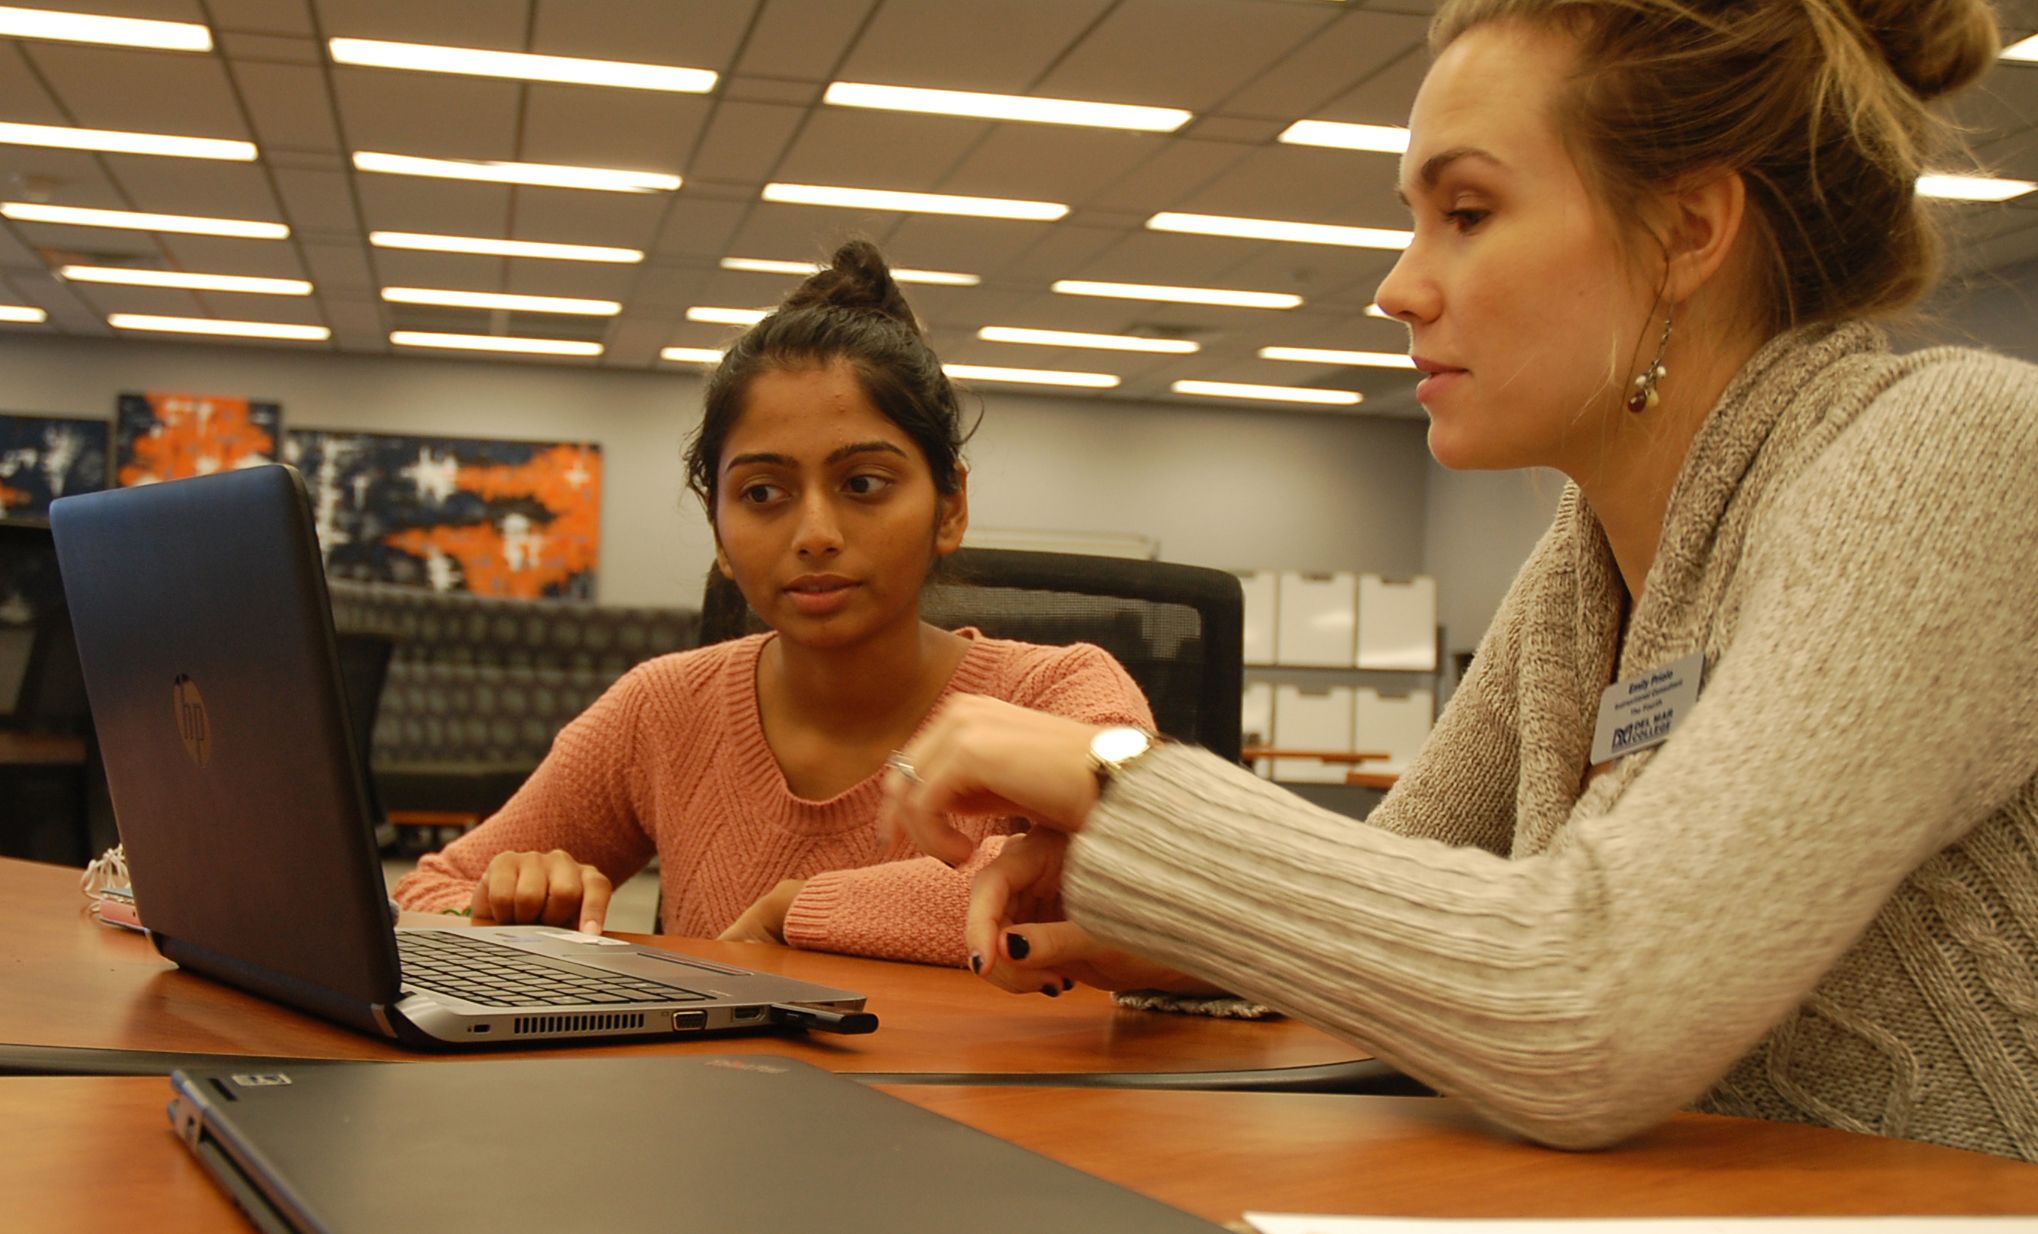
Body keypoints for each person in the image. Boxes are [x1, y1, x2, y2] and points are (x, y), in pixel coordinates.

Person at [880, 0, 2038, 1160]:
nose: (1398, 286)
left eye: (1466, 212)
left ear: (1687, 230)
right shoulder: (1586, 562)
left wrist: (1118, 780)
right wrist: (1185, 917)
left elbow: (1590, 1005)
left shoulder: (1951, 454)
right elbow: (1411, 875)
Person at [392, 240, 1153, 967]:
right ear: (719, 531)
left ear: (949, 507)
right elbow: (427, 894)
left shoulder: (1060, 695)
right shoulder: (662, 711)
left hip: (991, 1100)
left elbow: (1143, 881)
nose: (814, 534)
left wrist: (802, 913)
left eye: (863, 484)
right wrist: (501, 910)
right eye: (762, 494)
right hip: (724, 1100)